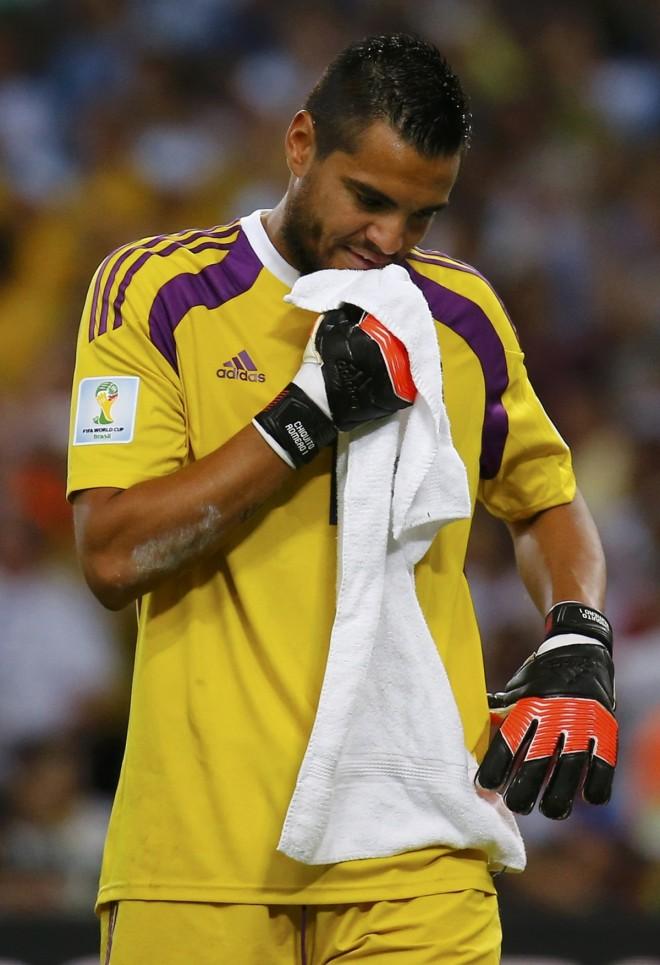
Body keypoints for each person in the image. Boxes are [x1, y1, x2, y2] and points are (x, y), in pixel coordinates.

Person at [67, 33, 616, 965]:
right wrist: (302, 416)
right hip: (202, 856)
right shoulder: (157, 292)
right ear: (299, 144)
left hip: (418, 849)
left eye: (422, 216)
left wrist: (577, 629)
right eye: (369, 200)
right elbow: (113, 553)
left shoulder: (459, 314)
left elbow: (545, 502)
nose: (390, 242)